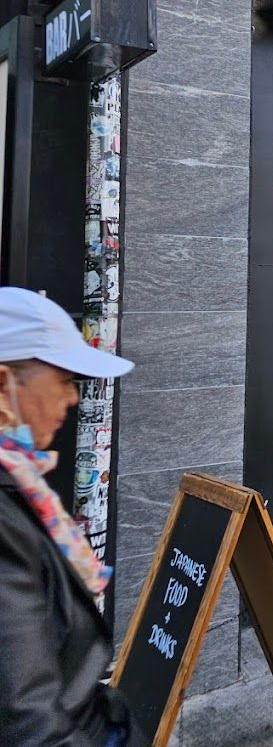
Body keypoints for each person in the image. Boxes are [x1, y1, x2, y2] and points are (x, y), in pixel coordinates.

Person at [0, 287, 145, 745]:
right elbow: (29, 722)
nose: (72, 398)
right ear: (5, 385)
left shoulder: (21, 481)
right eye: (62, 379)